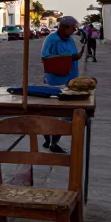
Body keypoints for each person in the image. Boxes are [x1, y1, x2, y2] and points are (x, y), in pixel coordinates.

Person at [40, 15, 84, 154]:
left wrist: (77, 54)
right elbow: (45, 57)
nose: (74, 31)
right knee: (54, 113)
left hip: (70, 80)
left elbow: (72, 54)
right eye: (72, 28)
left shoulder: (70, 39)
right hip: (55, 81)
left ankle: (54, 141)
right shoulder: (51, 39)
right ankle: (48, 137)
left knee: (66, 115)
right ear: (65, 27)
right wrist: (70, 58)